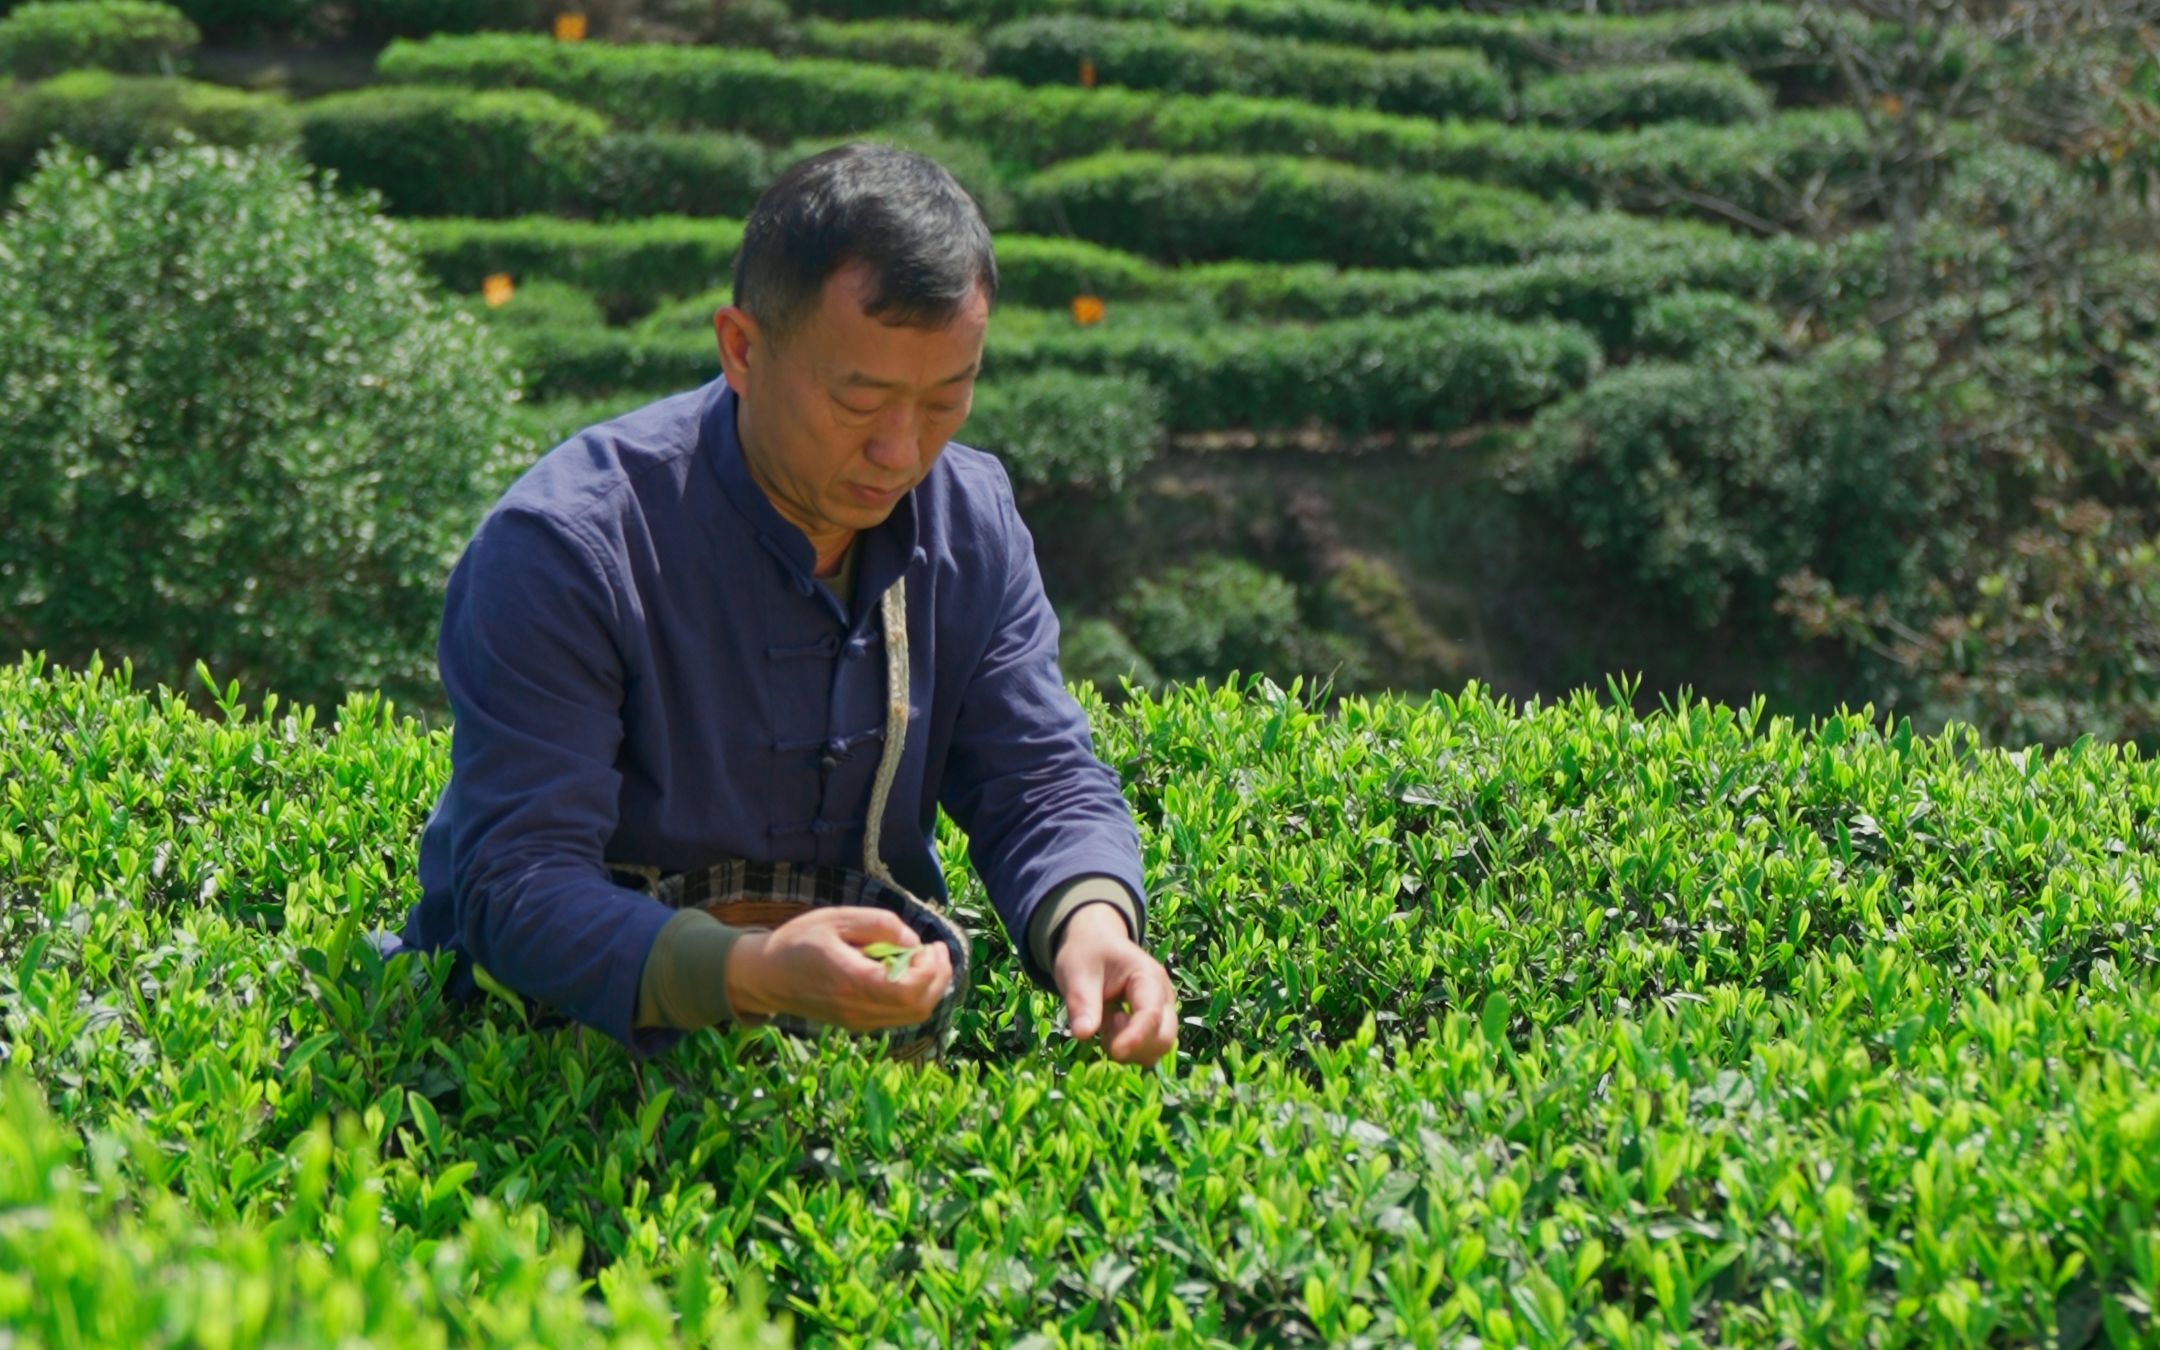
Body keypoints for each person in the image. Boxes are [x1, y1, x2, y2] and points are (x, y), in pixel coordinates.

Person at [382, 142, 1178, 1068]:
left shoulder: (972, 520)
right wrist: (749, 971)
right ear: (743, 349)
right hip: (546, 1071)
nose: (901, 450)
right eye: (861, 399)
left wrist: (1091, 922)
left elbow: (1036, 778)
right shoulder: (567, 547)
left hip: (847, 1061)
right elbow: (513, 884)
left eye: (946, 399)